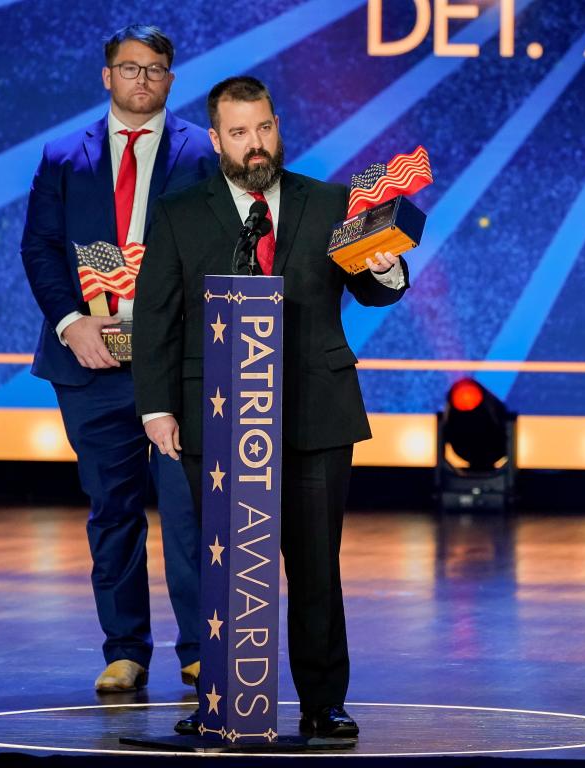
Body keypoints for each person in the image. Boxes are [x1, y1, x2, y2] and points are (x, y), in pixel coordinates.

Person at [132, 76, 408, 737]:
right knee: (225, 561)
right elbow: (157, 318)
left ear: (277, 126)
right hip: (216, 416)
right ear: (215, 138)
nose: (255, 145)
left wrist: (386, 264)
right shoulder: (179, 211)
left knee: (316, 562)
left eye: (264, 129)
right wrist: (156, 409)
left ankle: (323, 702)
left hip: (316, 413)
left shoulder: (330, 201)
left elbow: (376, 293)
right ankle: (220, 699)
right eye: (238, 133)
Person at [20, 24, 218, 693]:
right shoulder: (61, 156)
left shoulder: (202, 152)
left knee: (190, 512)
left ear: (171, 78)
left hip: (178, 363)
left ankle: (200, 649)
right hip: (91, 361)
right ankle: (125, 650)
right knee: (113, 511)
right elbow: (40, 248)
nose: (142, 80)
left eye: (155, 69)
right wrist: (72, 322)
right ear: (107, 76)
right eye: (129, 68)